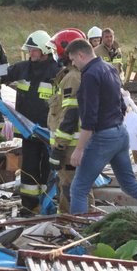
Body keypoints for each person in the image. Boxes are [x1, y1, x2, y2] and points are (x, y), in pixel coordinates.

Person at [66, 38, 137, 214]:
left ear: (81, 55)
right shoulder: (109, 68)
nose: (73, 64)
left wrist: (80, 149)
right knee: (129, 184)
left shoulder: (90, 75)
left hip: (103, 136)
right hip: (120, 133)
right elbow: (122, 104)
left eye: (73, 60)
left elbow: (89, 117)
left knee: (79, 189)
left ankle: (80, 236)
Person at [4, 30, 59, 213]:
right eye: (29, 50)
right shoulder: (23, 68)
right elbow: (2, 75)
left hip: (47, 131)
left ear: (44, 50)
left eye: (33, 50)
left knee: (48, 168)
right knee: (28, 167)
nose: (30, 53)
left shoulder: (56, 72)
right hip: (28, 130)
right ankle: (28, 205)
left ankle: (47, 202)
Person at [47, 28, 91, 213]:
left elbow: (70, 116)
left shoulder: (73, 78)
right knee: (73, 188)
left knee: (70, 189)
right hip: (71, 145)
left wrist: (59, 147)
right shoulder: (69, 75)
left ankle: (72, 226)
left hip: (70, 147)